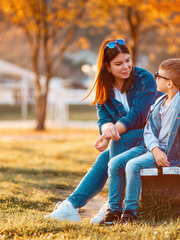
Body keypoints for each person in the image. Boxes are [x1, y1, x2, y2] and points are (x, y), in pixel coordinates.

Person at [44, 39, 158, 223]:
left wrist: (112, 133)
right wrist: (106, 132)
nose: (126, 67)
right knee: (105, 157)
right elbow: (104, 119)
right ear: (107, 66)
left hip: (153, 139)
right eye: (118, 64)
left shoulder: (144, 78)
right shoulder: (104, 88)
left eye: (128, 60)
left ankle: (112, 206)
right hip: (127, 143)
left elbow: (140, 115)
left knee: (118, 142)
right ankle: (71, 206)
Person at [100, 58, 180, 225]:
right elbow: (148, 130)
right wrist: (154, 149)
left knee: (133, 165)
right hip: (152, 149)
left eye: (158, 76)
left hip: (171, 154)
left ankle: (130, 212)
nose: (155, 78)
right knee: (114, 163)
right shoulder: (159, 103)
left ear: (169, 83)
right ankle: (114, 210)